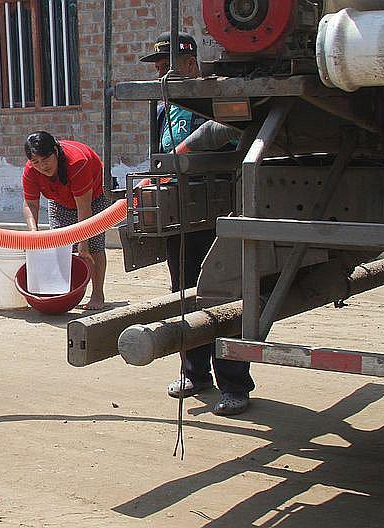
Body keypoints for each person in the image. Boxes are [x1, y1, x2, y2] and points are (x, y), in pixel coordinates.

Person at [140, 31, 254, 415]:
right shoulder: (162, 108)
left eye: (166, 67)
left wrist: (183, 151)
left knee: (222, 294)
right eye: (157, 68)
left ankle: (235, 384)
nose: (160, 75)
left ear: (190, 64)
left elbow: (230, 130)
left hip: (217, 208)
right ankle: (195, 372)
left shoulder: (212, 98)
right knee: (183, 293)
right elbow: (159, 152)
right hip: (179, 211)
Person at [21, 131, 109, 310]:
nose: (42, 166)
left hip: (94, 197)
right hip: (59, 200)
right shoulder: (31, 171)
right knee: (61, 245)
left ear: (55, 151)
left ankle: (97, 294)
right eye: (36, 162)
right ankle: (64, 291)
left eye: (46, 159)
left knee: (93, 246)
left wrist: (83, 244)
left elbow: (84, 207)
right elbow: (30, 203)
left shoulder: (77, 163)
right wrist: (33, 234)